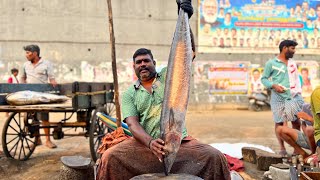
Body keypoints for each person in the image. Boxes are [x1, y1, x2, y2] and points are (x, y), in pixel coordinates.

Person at [97, 3, 230, 177]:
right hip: (144, 144)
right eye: (138, 62)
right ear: (134, 67)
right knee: (109, 157)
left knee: (215, 157)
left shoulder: (169, 76)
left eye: (146, 60)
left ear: (154, 63)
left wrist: (185, 18)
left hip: (179, 142)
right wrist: (151, 142)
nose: (143, 64)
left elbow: (188, 53)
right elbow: (132, 124)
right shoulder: (130, 93)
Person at [261, 40, 304, 157]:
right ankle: (282, 148)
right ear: (284, 48)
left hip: (293, 97)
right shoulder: (271, 63)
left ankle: (296, 149)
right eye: (292, 48)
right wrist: (274, 85)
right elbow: (264, 79)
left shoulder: (292, 63)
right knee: (279, 122)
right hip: (278, 97)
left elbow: (297, 78)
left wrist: (298, 92)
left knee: (296, 121)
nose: (294, 51)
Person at [21, 44, 57, 149]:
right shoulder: (25, 65)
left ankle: (48, 140)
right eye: (26, 52)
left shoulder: (46, 64)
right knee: (33, 118)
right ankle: (37, 140)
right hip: (29, 95)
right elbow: (22, 78)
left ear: (35, 53)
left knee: (44, 117)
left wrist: (53, 83)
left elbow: (51, 78)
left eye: (28, 52)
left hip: (42, 95)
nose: (26, 55)